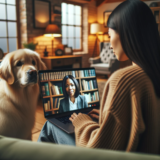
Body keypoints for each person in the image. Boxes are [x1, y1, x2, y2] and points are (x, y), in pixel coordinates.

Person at [38, 0, 160, 154]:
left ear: (126, 33)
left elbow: (100, 150)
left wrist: (83, 122)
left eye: (110, 35)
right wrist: (106, 117)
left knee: (50, 126)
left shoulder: (124, 79)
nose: (109, 45)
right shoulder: (153, 71)